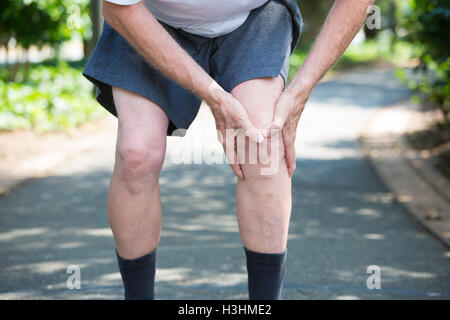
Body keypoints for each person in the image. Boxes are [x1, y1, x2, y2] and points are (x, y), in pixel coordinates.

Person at [82, 0, 375, 300]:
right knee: (137, 154)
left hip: (253, 17)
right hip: (150, 20)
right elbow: (118, 8)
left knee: (262, 146)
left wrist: (300, 91)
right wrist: (214, 96)